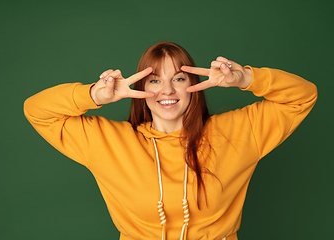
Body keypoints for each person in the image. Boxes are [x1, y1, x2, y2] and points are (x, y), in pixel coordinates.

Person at [24, 42, 317, 240]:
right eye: (154, 80)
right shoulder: (109, 141)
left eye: (178, 79)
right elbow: (36, 111)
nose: (167, 90)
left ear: (193, 86)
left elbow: (303, 96)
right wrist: (94, 96)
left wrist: (246, 79)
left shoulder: (236, 132)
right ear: (140, 89)